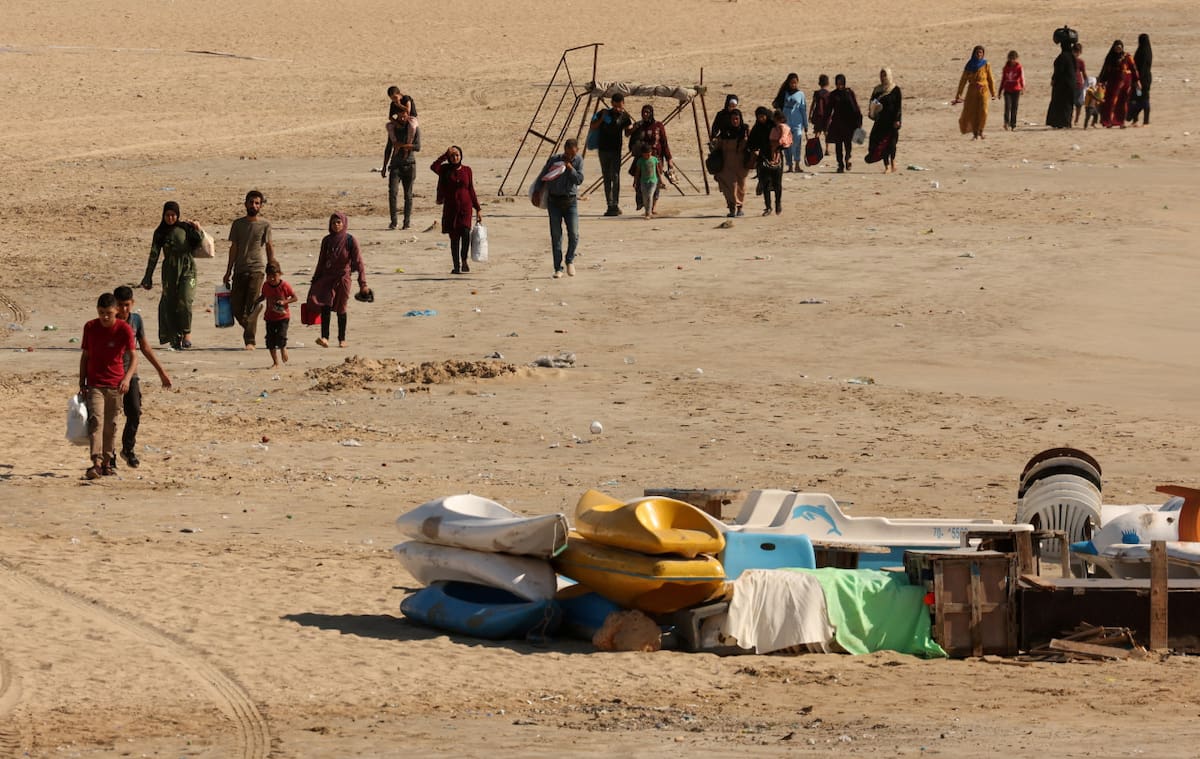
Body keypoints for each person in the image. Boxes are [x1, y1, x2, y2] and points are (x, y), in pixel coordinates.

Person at [112, 286, 171, 471]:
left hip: (131, 373)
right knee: (111, 417)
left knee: (135, 412)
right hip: (111, 374)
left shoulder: (136, 320)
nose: (123, 310)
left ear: (132, 304)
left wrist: (161, 372)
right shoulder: (108, 322)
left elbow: (144, 347)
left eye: (127, 305)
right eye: (120, 305)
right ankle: (109, 455)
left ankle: (127, 449)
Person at [79, 292, 137, 479]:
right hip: (95, 383)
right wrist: (82, 382)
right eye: (101, 312)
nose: (105, 317)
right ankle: (95, 462)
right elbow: (85, 356)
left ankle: (106, 462)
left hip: (116, 385)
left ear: (116, 311)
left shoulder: (124, 329)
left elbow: (134, 357)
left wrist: (127, 379)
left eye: (109, 313)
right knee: (96, 421)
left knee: (111, 425)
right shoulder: (90, 327)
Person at [139, 201, 202, 350]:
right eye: (167, 215)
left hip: (188, 269)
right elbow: (154, 255)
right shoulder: (160, 232)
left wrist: (197, 228)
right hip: (170, 271)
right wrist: (147, 276)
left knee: (185, 300)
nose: (170, 218)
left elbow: (198, 241)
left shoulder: (185, 228)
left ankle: (187, 333)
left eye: (173, 215)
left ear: (178, 215)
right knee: (170, 303)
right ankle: (175, 338)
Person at [306, 212, 368, 348]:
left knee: (341, 307)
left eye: (339, 222)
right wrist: (315, 279)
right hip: (327, 277)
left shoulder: (350, 240)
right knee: (325, 304)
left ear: (344, 223)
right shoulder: (326, 241)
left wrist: (362, 283)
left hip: (343, 278)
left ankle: (342, 339)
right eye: (333, 223)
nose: (336, 225)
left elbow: (359, 262)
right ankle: (325, 337)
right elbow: (321, 261)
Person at [224, 190, 276, 350]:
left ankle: (250, 341)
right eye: (251, 202)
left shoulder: (265, 225)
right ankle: (251, 321)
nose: (254, 205)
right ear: (245, 203)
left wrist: (271, 268)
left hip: (257, 270)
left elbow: (268, 247)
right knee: (235, 306)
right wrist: (228, 271)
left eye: (257, 203)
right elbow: (234, 247)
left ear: (261, 206)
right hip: (239, 269)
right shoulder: (238, 224)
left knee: (250, 306)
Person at [536, 138, 583, 278]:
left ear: (577, 151)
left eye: (573, 154)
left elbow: (579, 179)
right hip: (554, 201)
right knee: (556, 236)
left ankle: (570, 260)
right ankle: (558, 267)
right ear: (564, 150)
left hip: (570, 201)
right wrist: (537, 191)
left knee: (574, 234)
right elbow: (543, 175)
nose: (570, 156)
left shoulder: (578, 161)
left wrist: (570, 168)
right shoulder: (554, 160)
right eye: (568, 154)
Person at [431, 146, 482, 274]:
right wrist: (444, 155)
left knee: (465, 235)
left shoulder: (467, 170)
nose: (455, 158)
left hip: (465, 208)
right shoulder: (444, 170)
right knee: (454, 239)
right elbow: (434, 166)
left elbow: (471, 189)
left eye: (457, 155)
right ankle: (456, 266)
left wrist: (478, 209)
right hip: (451, 209)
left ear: (461, 156)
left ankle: (464, 259)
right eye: (452, 156)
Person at [589, 92, 632, 216]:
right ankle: (610, 205)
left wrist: (633, 128)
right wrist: (602, 119)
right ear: (612, 103)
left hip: (616, 150)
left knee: (616, 177)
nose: (618, 108)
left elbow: (627, 133)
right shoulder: (603, 113)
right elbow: (593, 126)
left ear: (623, 104)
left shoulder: (624, 116)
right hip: (603, 150)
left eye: (620, 105)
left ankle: (615, 204)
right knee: (607, 177)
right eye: (616, 105)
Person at [627, 104, 673, 213]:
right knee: (640, 183)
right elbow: (630, 139)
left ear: (651, 113)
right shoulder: (639, 126)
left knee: (655, 182)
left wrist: (669, 159)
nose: (645, 114)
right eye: (643, 112)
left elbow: (664, 143)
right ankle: (645, 204)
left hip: (656, 158)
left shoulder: (658, 126)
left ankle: (653, 207)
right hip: (642, 158)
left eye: (647, 112)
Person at [382, 105, 421, 230]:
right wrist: (384, 166)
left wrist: (402, 145)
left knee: (408, 195)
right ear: (396, 115)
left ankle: (406, 223)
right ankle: (394, 222)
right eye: (400, 114)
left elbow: (417, 146)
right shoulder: (392, 129)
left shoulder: (413, 127)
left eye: (404, 114)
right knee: (392, 193)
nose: (403, 116)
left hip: (409, 164)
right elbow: (389, 148)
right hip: (395, 165)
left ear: (408, 113)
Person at [712, 108, 749, 217]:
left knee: (740, 187)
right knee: (728, 187)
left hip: (740, 164)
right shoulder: (725, 131)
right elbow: (718, 146)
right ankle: (732, 208)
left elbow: (751, 145)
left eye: (737, 119)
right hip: (726, 164)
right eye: (733, 119)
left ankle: (739, 208)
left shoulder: (744, 130)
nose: (735, 121)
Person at [259, 263, 297, 368]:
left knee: (281, 336)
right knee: (270, 340)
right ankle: (275, 362)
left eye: (274, 276)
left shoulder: (285, 286)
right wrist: (255, 301)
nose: (271, 279)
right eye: (269, 276)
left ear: (279, 274)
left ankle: (283, 349)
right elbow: (263, 296)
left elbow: (294, 298)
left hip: (283, 317)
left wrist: (284, 302)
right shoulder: (266, 286)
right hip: (269, 317)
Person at [954, 46, 996, 139]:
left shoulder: (986, 64)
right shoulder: (969, 65)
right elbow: (963, 80)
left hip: (983, 90)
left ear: (983, 54)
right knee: (972, 111)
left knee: (983, 111)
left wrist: (993, 92)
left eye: (981, 52)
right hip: (972, 91)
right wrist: (958, 94)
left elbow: (990, 79)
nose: (979, 54)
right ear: (974, 53)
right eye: (977, 52)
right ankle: (975, 133)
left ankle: (981, 130)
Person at [825, 74, 862, 173]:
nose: (839, 86)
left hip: (849, 124)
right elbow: (828, 110)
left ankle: (847, 158)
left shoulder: (849, 93)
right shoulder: (833, 95)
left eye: (841, 84)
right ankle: (840, 164)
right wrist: (825, 123)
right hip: (837, 123)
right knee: (838, 146)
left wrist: (859, 120)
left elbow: (855, 107)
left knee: (848, 144)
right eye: (837, 84)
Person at [868, 68, 902, 174]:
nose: (883, 78)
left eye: (884, 75)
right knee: (881, 144)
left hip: (892, 121)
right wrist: (872, 110)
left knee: (892, 144)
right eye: (881, 75)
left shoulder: (895, 89)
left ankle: (893, 162)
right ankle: (886, 166)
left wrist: (897, 120)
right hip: (881, 121)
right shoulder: (877, 90)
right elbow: (872, 103)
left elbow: (898, 106)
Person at [772, 73, 809, 172]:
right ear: (788, 83)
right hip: (786, 124)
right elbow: (776, 105)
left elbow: (803, 110)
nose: (793, 85)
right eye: (792, 83)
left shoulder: (800, 94)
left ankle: (797, 164)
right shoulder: (784, 93)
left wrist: (805, 124)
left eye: (795, 83)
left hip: (798, 123)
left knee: (797, 143)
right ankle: (790, 165)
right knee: (786, 144)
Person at [1046, 27, 1078, 129]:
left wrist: (1054, 79)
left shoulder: (1063, 57)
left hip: (1063, 85)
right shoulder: (1072, 57)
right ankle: (1066, 122)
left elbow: (1059, 71)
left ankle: (1061, 123)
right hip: (1071, 84)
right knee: (1068, 104)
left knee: (1060, 103)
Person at [761, 110, 791, 215]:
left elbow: (783, 139)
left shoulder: (782, 127)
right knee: (765, 183)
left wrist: (777, 145)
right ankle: (768, 207)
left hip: (777, 157)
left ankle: (778, 204)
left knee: (777, 183)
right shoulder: (767, 127)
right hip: (764, 157)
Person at [632, 142, 664, 219]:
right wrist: (635, 182)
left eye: (649, 153)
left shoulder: (654, 159)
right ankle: (647, 210)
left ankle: (648, 213)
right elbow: (637, 173)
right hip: (643, 181)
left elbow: (658, 171)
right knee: (644, 197)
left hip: (653, 181)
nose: (648, 155)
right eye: (646, 154)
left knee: (649, 196)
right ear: (643, 154)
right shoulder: (640, 161)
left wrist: (661, 181)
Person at [1127, 34, 1152, 126]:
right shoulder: (1147, 51)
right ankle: (1135, 120)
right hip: (1145, 79)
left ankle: (1145, 121)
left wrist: (1137, 80)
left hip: (1141, 80)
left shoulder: (1142, 52)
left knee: (1143, 99)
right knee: (1137, 98)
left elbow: (1141, 68)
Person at [999, 50, 1026, 131]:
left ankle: (1013, 124)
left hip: (1016, 89)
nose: (1012, 60)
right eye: (1011, 59)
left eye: (1014, 59)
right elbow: (1003, 79)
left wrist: (1022, 88)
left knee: (1014, 107)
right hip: (1007, 89)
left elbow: (1021, 78)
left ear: (1017, 59)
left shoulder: (1019, 67)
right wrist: (1000, 91)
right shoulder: (1006, 68)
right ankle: (1006, 122)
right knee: (1007, 106)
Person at [809, 74, 832, 149]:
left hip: (818, 115)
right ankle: (827, 149)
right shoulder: (828, 94)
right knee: (826, 133)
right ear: (828, 83)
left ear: (819, 83)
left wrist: (810, 114)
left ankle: (815, 147)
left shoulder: (817, 93)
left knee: (817, 132)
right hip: (826, 116)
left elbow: (813, 105)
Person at [1072, 43, 1087, 126]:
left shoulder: (1080, 62)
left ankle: (1076, 119)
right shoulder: (1069, 60)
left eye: (1078, 52)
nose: (1076, 53)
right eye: (1075, 51)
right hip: (1070, 84)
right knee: (1070, 103)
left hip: (1078, 84)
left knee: (1078, 103)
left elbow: (1084, 73)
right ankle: (1070, 118)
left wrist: (1087, 83)